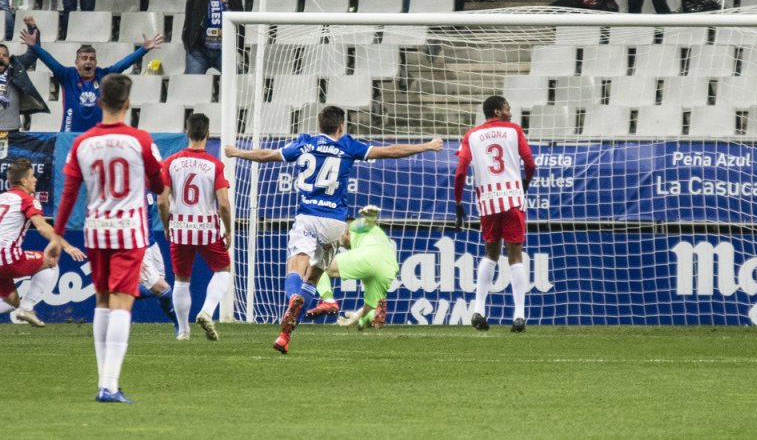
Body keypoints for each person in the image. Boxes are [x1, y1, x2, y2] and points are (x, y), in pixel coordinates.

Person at [224, 105, 443, 354]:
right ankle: (284, 336)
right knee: (314, 277)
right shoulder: (348, 146)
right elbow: (391, 151)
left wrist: (237, 152)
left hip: (307, 217)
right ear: (341, 126)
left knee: (296, 268)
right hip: (335, 225)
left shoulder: (305, 144)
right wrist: (426, 146)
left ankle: (292, 299)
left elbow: (266, 156)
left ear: (320, 126)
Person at [54, 74, 166, 403]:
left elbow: (69, 193)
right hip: (129, 231)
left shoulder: (81, 143)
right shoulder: (140, 141)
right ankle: (109, 385)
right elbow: (158, 184)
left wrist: (57, 235)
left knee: (102, 301)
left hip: (96, 229)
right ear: (127, 104)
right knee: (122, 303)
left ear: (100, 102)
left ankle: (105, 380)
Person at [454, 96, 537, 332]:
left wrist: (458, 201)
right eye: (508, 107)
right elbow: (530, 163)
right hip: (512, 197)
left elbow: (460, 173)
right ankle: (519, 316)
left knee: (490, 254)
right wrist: (525, 183)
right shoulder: (513, 130)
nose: (510, 111)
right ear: (498, 110)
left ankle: (478, 310)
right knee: (515, 255)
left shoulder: (472, 135)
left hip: (488, 201)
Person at [159, 113, 231, 342]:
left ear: (187, 133)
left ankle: (182, 331)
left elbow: (162, 200)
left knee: (181, 279)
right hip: (207, 228)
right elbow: (224, 204)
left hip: (179, 227)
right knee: (222, 271)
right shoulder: (215, 165)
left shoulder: (171, 162)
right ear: (208, 135)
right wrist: (228, 229)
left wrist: (166, 225)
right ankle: (207, 311)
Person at [19, 17, 162, 132]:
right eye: (84, 58)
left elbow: (122, 65)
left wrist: (143, 49)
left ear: (96, 62)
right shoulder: (67, 75)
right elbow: (49, 60)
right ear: (76, 62)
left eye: (92, 59)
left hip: (96, 137)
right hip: (69, 136)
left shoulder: (104, 75)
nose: (88, 62)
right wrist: (34, 47)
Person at [0, 158, 86, 327]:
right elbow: (42, 227)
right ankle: (27, 307)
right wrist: (67, 246)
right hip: (6, 257)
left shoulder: (3, 198)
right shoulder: (27, 199)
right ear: (24, 180)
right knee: (51, 261)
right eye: (32, 176)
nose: (35, 180)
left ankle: (22, 307)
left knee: (12, 302)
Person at [315, 206, 399, 329]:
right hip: (390, 268)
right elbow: (368, 305)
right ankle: (371, 318)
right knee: (371, 306)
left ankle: (328, 300)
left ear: (345, 231)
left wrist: (371, 217)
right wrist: (354, 318)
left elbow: (365, 223)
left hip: (369, 255)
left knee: (318, 266)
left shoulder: (352, 226)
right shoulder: (376, 233)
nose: (338, 241)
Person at [0, 42, 51, 131]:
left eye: (5, 55)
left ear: (9, 59)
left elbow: (31, 55)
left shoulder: (15, 68)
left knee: (5, 145)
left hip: (10, 128)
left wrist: (32, 29)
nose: (1, 57)